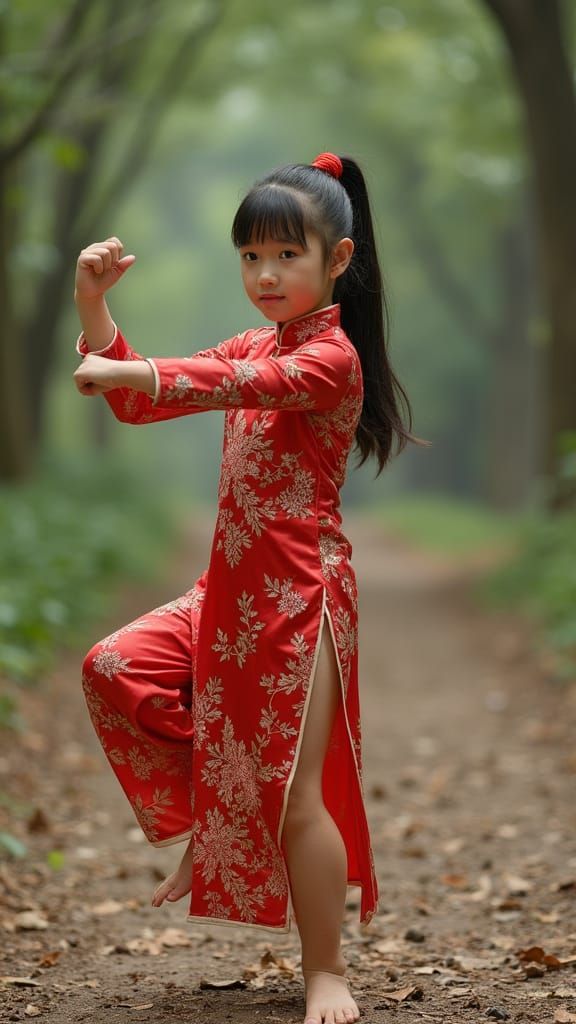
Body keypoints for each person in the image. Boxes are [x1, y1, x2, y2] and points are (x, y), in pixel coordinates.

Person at [72, 152, 421, 1024]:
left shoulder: (330, 359)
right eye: (250, 258)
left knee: (299, 800)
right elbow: (146, 400)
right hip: (225, 594)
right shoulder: (258, 338)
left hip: (298, 604)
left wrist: (135, 373)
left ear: (336, 260)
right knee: (114, 667)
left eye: (285, 257)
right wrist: (94, 308)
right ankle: (217, 812)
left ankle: (326, 971)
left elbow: (230, 384)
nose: (265, 276)